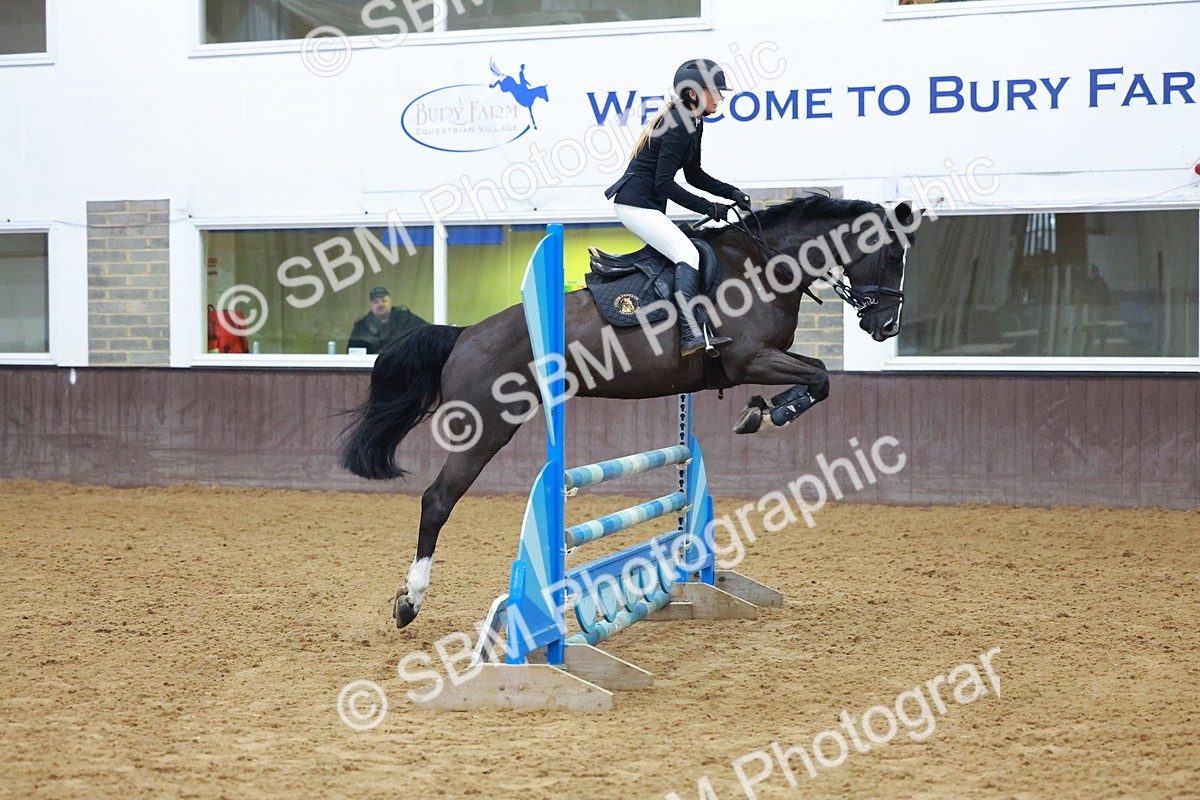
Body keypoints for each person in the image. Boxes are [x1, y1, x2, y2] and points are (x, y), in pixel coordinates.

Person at [604, 58, 752, 357]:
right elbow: (664, 184)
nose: (721, 98)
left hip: (647, 204)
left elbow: (693, 174)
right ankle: (690, 334)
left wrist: (730, 193)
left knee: (685, 250)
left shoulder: (695, 121)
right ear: (694, 94)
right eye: (715, 92)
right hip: (635, 204)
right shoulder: (678, 124)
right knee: (687, 253)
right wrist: (712, 208)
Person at [347, 287, 429, 354]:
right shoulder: (362, 325)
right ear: (371, 305)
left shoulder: (404, 318)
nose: (380, 304)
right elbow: (353, 353)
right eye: (376, 302)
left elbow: (427, 332)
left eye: (384, 300)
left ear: (390, 301)